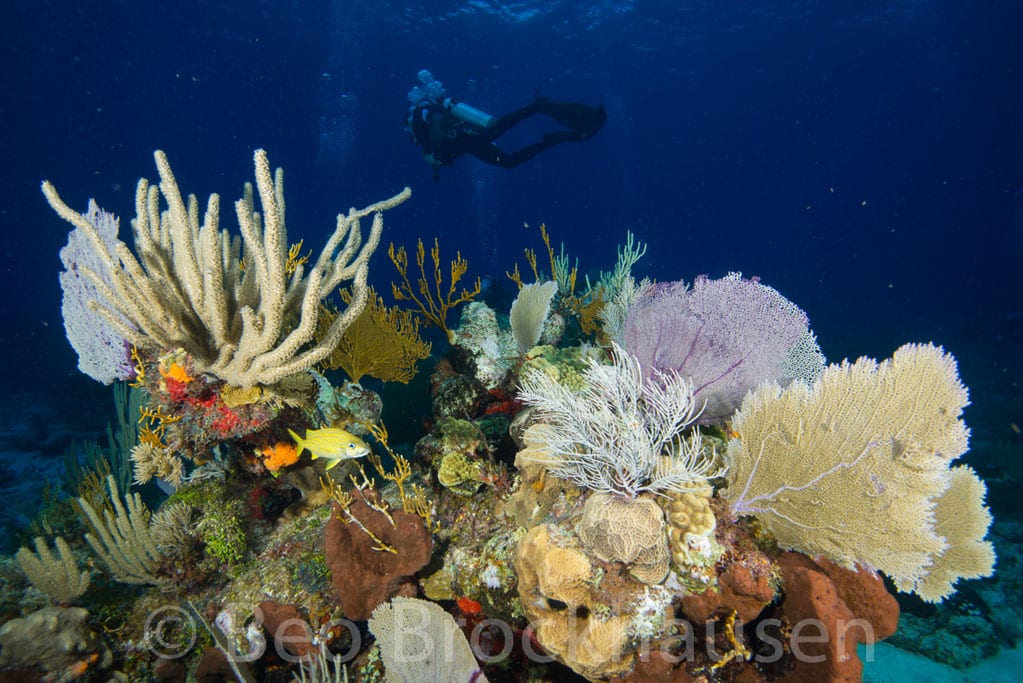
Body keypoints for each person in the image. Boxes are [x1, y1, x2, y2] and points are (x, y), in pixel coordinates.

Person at [406, 70, 607, 180]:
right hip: (466, 142)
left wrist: (428, 152)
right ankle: (551, 140)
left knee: (494, 132)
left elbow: (423, 134)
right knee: (508, 162)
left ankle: (534, 108)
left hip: (463, 137)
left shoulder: (418, 119)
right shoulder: (426, 127)